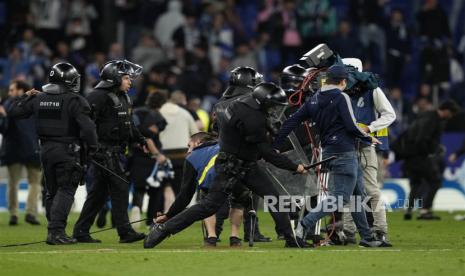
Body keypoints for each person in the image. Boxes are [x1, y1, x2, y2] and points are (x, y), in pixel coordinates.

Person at [144, 82, 308, 249]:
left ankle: (291, 239)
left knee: (273, 198)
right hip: (232, 165)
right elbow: (268, 154)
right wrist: (295, 167)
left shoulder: (241, 105)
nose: (274, 111)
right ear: (263, 103)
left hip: (241, 161)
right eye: (273, 106)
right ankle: (164, 229)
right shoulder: (254, 119)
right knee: (210, 206)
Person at [273, 65, 386, 247]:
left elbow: (291, 121)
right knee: (338, 199)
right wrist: (367, 137)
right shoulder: (342, 97)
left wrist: (276, 145)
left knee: (358, 196)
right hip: (345, 152)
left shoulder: (314, 100)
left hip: (330, 152)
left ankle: (366, 237)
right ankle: (303, 226)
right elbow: (350, 126)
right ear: (343, 81)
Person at [8, 62, 98, 245]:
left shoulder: (38, 98)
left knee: (52, 192)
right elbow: (88, 128)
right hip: (67, 150)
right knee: (66, 190)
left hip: (45, 150)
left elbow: (14, 112)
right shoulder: (75, 100)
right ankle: (56, 232)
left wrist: (25, 96)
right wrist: (94, 148)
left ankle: (54, 231)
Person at [73, 60, 157, 243]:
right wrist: (92, 149)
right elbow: (85, 125)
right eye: (126, 78)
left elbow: (128, 124)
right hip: (103, 151)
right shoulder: (97, 96)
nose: (130, 82)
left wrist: (140, 140)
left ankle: (80, 231)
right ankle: (125, 232)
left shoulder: (124, 97)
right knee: (120, 187)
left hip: (115, 151)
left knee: (98, 194)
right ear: (114, 78)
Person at [212, 66, 272, 243]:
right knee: (248, 195)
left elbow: (215, 128)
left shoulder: (220, 102)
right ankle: (251, 232)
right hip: (246, 152)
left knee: (221, 194)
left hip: (224, 152)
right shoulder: (248, 101)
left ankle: (213, 233)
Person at [341, 58, 396, 245]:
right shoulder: (340, 91)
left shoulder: (372, 90)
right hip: (345, 146)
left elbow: (390, 114)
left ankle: (380, 229)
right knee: (349, 191)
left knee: (371, 189)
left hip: (364, 146)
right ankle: (348, 230)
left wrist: (370, 128)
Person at [155, 132, 245, 247]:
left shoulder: (193, 156)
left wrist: (169, 215)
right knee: (237, 202)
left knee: (205, 200)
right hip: (235, 177)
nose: (188, 151)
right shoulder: (226, 145)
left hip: (213, 182)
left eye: (189, 146)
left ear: (198, 143)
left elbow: (185, 195)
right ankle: (235, 238)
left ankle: (211, 237)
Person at [393, 100, 460, 220]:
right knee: (435, 180)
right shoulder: (433, 120)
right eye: (451, 113)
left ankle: (409, 210)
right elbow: (422, 139)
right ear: (446, 110)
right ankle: (425, 211)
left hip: (409, 155)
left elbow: (411, 133)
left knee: (416, 182)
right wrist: (430, 152)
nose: (451, 117)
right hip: (419, 156)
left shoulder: (425, 116)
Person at [0, 80, 42, 226]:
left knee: (13, 183)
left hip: (13, 149)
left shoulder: (10, 104)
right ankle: (30, 212)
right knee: (35, 182)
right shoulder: (36, 103)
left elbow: (7, 118)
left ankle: (14, 214)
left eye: (12, 90)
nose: (10, 93)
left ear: (21, 90)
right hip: (33, 148)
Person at [129, 92, 168, 228]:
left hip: (136, 154)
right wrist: (157, 154)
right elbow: (150, 136)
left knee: (138, 188)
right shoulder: (158, 116)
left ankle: (136, 207)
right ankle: (151, 220)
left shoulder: (136, 112)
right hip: (152, 156)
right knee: (155, 190)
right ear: (162, 103)